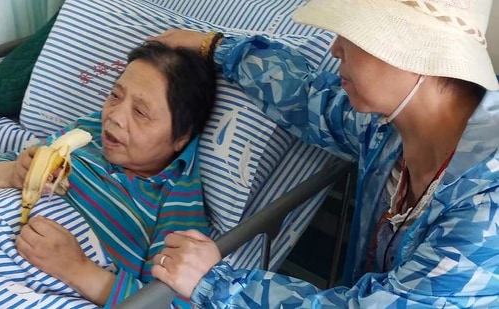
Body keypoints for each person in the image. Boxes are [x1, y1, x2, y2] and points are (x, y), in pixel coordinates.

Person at [149, 0, 499, 307]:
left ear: (412, 55)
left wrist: (214, 283)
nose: (334, 49)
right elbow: (305, 96)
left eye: (350, 35)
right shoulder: (387, 131)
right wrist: (216, 47)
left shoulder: (487, 210)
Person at [0, 41, 217, 308]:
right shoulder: (90, 130)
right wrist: (12, 172)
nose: (114, 116)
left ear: (181, 137)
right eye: (115, 96)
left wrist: (78, 270)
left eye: (140, 112)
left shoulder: (176, 204)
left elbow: (166, 303)